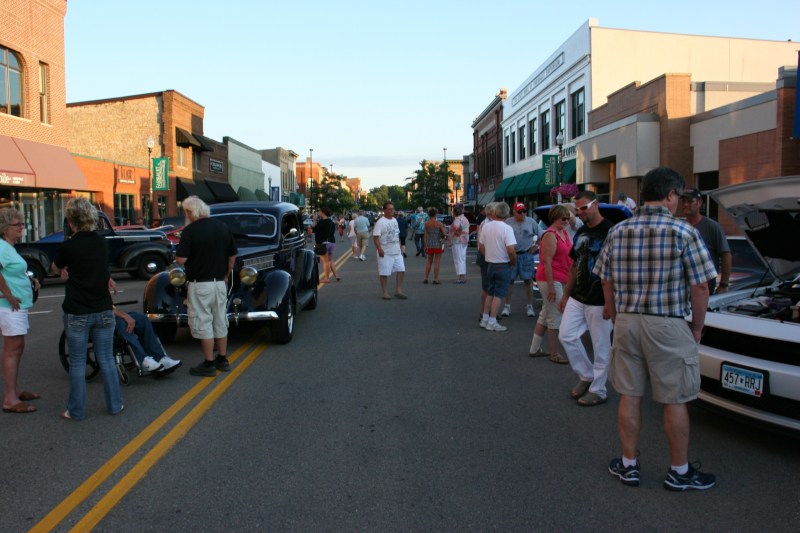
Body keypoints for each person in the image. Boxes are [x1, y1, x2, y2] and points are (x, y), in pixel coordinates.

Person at [595, 166, 717, 491]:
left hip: (627, 321)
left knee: (629, 394)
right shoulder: (683, 231)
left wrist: (615, 313)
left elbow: (604, 278)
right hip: (666, 321)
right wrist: (697, 329)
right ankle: (679, 471)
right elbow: (701, 286)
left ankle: (629, 465)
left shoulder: (618, 231)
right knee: (674, 398)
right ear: (671, 194)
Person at [53, 198, 123, 420]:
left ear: (71, 220)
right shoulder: (101, 243)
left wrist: (62, 270)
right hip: (103, 309)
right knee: (106, 359)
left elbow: (55, 266)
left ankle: (76, 410)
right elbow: (101, 269)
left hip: (77, 311)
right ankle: (115, 405)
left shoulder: (69, 246)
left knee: (77, 362)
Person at [557, 191, 614, 406]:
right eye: (576, 209)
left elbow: (617, 269)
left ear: (595, 204)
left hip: (600, 298)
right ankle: (587, 375)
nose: (579, 212)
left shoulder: (611, 231)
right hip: (578, 295)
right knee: (566, 335)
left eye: (583, 208)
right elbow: (574, 265)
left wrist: (610, 301)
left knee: (601, 346)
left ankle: (599, 390)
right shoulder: (581, 231)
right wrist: (566, 294)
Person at [175, 196, 238, 377]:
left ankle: (209, 363)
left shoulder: (190, 231)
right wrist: (225, 275)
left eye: (185, 212)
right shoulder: (222, 227)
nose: (185, 216)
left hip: (200, 284)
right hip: (219, 283)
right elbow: (232, 257)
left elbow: (181, 260)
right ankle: (223, 359)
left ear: (190, 212)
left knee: (203, 322)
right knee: (220, 321)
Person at [0, 208, 40, 414]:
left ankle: (14, 390)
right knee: (12, 349)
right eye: (17, 225)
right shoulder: (1, 247)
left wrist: (30, 280)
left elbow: (11, 272)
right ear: (4, 228)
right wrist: (7, 294)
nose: (21, 228)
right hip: (9, 306)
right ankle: (10, 398)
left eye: (22, 224)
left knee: (16, 347)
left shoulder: (9, 247)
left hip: (16, 305)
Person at [528, 204, 573, 363]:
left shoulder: (563, 232)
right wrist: (551, 287)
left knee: (546, 314)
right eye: (563, 218)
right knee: (555, 316)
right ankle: (554, 353)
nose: (566, 221)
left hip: (561, 277)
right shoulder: (550, 235)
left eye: (568, 218)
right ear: (555, 218)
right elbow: (546, 262)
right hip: (551, 279)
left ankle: (534, 348)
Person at [680, 188, 731, 294]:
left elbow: (726, 255)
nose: (685, 204)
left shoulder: (712, 226)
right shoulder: (679, 227)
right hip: (682, 289)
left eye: (690, 201)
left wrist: (724, 284)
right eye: (683, 201)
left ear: (699, 202)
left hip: (704, 288)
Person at [478, 201, 516, 332]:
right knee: (499, 294)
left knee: (490, 292)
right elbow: (511, 250)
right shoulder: (507, 228)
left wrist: (488, 255)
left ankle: (485, 318)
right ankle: (492, 320)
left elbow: (481, 246)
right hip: (502, 264)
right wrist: (513, 261)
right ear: (507, 214)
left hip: (490, 264)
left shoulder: (486, 226)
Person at [113, 309, 182, 373]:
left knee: (143, 319)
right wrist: (125, 316)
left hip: (115, 314)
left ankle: (159, 357)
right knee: (123, 324)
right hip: (108, 319)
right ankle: (143, 360)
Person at [502, 202, 539, 317]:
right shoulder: (508, 222)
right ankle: (507, 306)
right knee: (509, 281)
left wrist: (536, 246)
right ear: (514, 212)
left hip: (526, 255)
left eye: (524, 211)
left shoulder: (531, 222)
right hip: (512, 255)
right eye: (520, 212)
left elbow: (542, 235)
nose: (523, 214)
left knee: (528, 281)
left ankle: (529, 306)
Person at [372, 201, 406, 300]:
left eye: (393, 209)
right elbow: (375, 237)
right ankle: (385, 292)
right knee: (384, 273)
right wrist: (379, 249)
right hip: (385, 252)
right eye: (390, 209)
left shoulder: (395, 220)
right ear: (384, 210)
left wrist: (400, 247)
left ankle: (398, 290)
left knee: (401, 270)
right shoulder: (380, 222)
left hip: (396, 251)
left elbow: (396, 235)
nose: (392, 211)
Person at [313, 207, 339, 283]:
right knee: (330, 260)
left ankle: (327, 278)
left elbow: (314, 230)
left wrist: (314, 220)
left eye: (319, 212)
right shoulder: (331, 222)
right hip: (332, 242)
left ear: (323, 212)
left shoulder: (322, 222)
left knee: (325, 261)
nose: (319, 213)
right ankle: (336, 275)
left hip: (324, 243)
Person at [423, 208, 447, 284]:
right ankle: (436, 279)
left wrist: (425, 246)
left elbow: (425, 236)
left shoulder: (426, 224)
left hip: (430, 244)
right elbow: (444, 234)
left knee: (429, 261)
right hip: (438, 244)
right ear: (436, 214)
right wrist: (444, 229)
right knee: (437, 262)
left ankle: (426, 278)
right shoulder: (439, 224)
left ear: (429, 214)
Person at [450, 206, 469, 283]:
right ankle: (462, 276)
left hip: (457, 241)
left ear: (455, 212)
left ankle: (460, 278)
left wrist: (454, 233)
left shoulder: (457, 219)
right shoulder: (465, 219)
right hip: (464, 240)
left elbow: (456, 227)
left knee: (458, 259)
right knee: (462, 258)